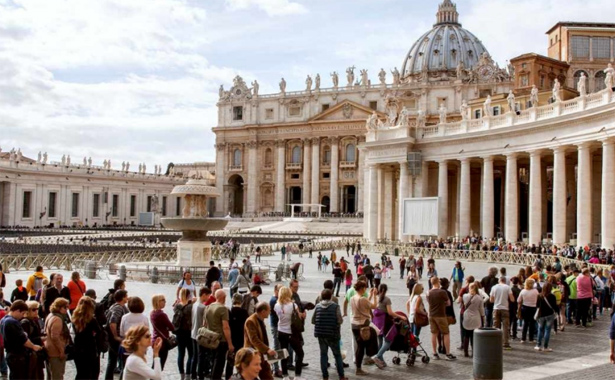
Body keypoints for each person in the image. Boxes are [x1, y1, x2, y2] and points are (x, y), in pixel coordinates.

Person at [0, 300, 43, 379]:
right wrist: (33, 346)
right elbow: (23, 339)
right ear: (17, 310)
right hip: (17, 357)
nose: (22, 316)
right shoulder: (12, 322)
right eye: (22, 313)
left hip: (11, 355)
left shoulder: (4, 320)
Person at [312, 289, 347, 380]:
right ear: (331, 296)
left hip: (321, 334)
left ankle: (325, 376)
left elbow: (313, 320)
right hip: (333, 334)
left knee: (323, 354)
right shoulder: (335, 306)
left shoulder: (318, 306)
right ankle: (341, 376)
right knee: (337, 355)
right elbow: (340, 320)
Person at [372, 284, 407, 368]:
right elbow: (390, 312)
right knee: (388, 341)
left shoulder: (376, 298)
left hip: (376, 323)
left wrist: (373, 295)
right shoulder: (387, 299)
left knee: (380, 341)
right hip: (384, 323)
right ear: (386, 290)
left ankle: (381, 361)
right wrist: (401, 316)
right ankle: (377, 356)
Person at [275, 286, 305, 380]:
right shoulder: (293, 305)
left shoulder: (276, 306)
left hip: (281, 331)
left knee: (283, 354)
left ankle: (285, 375)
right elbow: (298, 317)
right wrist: (302, 315)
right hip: (291, 332)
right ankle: (297, 375)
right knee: (300, 353)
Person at [72, 296, 104, 380]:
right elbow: (99, 332)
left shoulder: (74, 318)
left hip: (78, 349)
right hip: (90, 349)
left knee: (81, 373)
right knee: (92, 373)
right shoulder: (91, 320)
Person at [350, 281, 378, 376]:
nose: (366, 289)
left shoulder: (353, 298)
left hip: (354, 324)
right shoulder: (362, 299)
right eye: (365, 287)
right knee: (361, 348)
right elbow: (374, 306)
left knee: (360, 346)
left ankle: (360, 366)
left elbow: (364, 304)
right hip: (362, 325)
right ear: (362, 288)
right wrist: (374, 295)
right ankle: (359, 368)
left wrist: (369, 296)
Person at [205, 289, 234, 380]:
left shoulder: (208, 307)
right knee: (219, 364)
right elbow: (226, 327)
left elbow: (204, 324)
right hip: (221, 340)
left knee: (213, 361)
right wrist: (230, 344)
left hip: (210, 338)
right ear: (224, 297)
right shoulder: (223, 309)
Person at [244, 302, 276, 380]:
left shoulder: (260, 319)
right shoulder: (251, 321)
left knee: (267, 375)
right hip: (253, 354)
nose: (270, 312)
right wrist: (267, 349)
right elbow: (254, 340)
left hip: (261, 354)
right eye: (269, 310)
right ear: (263, 312)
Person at [427, 277, 456, 360]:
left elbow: (429, 303)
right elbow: (448, 303)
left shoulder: (428, 292)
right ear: (437, 282)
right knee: (446, 333)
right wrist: (442, 304)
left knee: (434, 333)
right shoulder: (442, 292)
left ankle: (434, 353)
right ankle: (447, 353)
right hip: (441, 315)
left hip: (432, 315)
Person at [105, 289, 129, 380]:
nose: (127, 297)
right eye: (126, 296)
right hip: (115, 339)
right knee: (113, 361)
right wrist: (116, 336)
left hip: (114, 338)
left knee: (112, 360)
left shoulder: (117, 306)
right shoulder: (118, 308)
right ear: (122, 297)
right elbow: (113, 322)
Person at [44, 297, 70, 379]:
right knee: (57, 375)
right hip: (55, 352)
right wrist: (61, 350)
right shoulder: (58, 319)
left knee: (50, 375)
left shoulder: (50, 315)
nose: (67, 310)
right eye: (65, 307)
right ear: (59, 307)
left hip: (49, 349)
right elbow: (55, 336)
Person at [226, 293, 249, 379]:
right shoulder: (244, 312)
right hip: (241, 339)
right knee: (241, 359)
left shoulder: (229, 311)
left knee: (230, 361)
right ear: (241, 301)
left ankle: (228, 377)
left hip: (231, 338)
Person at [20, 300, 44, 379]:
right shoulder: (25, 322)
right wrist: (40, 338)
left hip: (37, 353)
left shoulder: (35, 320)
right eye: (34, 309)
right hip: (31, 354)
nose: (36, 311)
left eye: (37, 309)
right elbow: (26, 339)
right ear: (28, 311)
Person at [150, 294, 175, 370]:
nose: (165, 302)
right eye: (163, 300)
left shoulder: (152, 313)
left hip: (154, 340)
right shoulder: (162, 315)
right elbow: (172, 327)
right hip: (162, 342)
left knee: (155, 364)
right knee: (159, 366)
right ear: (158, 302)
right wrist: (167, 328)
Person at [174, 288, 194, 378]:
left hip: (179, 332)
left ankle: (181, 373)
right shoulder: (190, 306)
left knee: (181, 354)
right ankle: (188, 374)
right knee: (191, 354)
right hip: (189, 332)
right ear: (189, 295)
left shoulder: (177, 306)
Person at [490, 275, 514, 349]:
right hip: (505, 309)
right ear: (505, 281)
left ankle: (495, 341)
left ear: (499, 280)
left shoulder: (494, 287)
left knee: (496, 326)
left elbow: (491, 300)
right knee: (505, 327)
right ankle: (505, 343)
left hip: (496, 308)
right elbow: (512, 299)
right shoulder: (508, 287)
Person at [191, 287, 209, 380]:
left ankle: (193, 374)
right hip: (200, 334)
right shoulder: (203, 307)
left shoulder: (195, 304)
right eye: (208, 295)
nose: (208, 297)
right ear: (204, 295)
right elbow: (205, 322)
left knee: (195, 356)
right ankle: (200, 375)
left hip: (193, 332)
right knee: (201, 356)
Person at [461, 282, 484, 357]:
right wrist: (483, 317)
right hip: (476, 316)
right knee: (474, 336)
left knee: (466, 335)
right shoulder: (480, 298)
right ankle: (474, 351)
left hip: (467, 316)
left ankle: (465, 352)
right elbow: (481, 310)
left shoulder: (465, 296)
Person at [535, 283, 558, 352]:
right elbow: (554, 306)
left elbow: (537, 306)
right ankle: (545, 346)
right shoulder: (552, 296)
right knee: (547, 330)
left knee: (540, 329)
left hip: (541, 315)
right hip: (550, 315)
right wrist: (557, 312)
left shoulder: (539, 295)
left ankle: (538, 345)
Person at [517, 278, 539, 343]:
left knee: (525, 323)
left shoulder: (523, 291)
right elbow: (538, 299)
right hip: (533, 308)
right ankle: (531, 339)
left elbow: (518, 300)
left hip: (525, 308)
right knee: (532, 323)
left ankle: (523, 338)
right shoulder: (535, 291)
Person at [268, 284, 283, 378]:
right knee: (276, 348)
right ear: (276, 290)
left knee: (278, 347)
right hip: (276, 326)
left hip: (277, 325)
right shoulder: (274, 300)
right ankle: (275, 369)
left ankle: (276, 368)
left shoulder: (276, 300)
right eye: (280, 290)